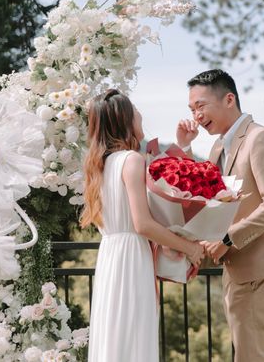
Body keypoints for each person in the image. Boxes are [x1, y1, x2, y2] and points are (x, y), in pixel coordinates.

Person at [176, 69, 264, 362]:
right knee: (247, 353)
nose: (197, 115)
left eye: (201, 106)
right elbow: (204, 192)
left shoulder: (260, 139)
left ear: (229, 99)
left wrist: (227, 238)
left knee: (252, 355)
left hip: (258, 268)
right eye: (192, 109)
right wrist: (186, 147)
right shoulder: (218, 146)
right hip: (237, 267)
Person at [81, 89, 204, 362]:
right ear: (125, 119)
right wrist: (189, 247)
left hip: (111, 257)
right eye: (134, 109)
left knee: (114, 334)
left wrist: (183, 147)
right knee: (135, 335)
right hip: (133, 258)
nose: (140, 114)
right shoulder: (132, 160)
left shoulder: (98, 165)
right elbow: (143, 224)